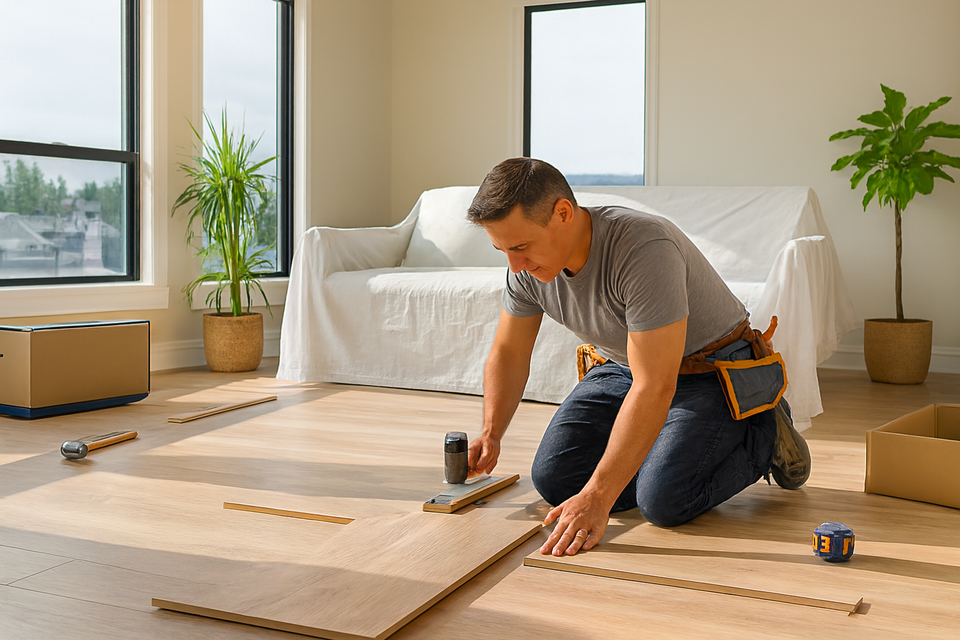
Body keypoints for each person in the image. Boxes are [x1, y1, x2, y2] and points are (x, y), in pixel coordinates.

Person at [465, 157, 810, 558]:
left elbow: (656, 385)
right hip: (625, 364)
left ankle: (762, 433)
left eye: (521, 247)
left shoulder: (643, 247)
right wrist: (491, 433)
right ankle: (664, 452)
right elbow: (509, 352)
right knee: (556, 479)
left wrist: (597, 497)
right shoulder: (523, 270)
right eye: (502, 249)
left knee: (664, 500)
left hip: (712, 369)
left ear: (562, 213)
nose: (515, 265)